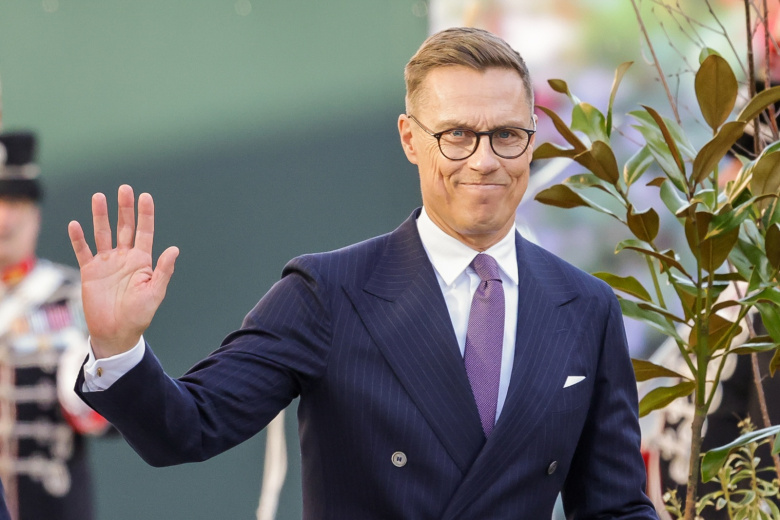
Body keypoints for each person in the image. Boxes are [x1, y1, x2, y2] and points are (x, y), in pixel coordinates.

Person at [68, 27, 658, 519]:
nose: (484, 160)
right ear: (410, 139)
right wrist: (118, 347)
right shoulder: (327, 294)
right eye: (456, 135)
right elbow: (187, 428)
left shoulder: (585, 307)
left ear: (531, 142)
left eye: (506, 135)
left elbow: (614, 508)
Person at [0, 131, 108, 520]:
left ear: (36, 215)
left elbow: (120, 416)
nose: (5, 219)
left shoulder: (74, 297)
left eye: (16, 203)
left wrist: (89, 395)